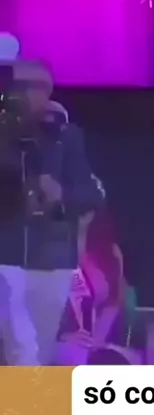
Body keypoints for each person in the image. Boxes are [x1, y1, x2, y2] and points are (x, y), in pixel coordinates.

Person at [0, 60, 103, 365]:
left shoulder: (65, 136)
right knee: (21, 347)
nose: (30, 94)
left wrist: (61, 197)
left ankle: (27, 398)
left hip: (52, 260)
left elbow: (91, 194)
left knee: (37, 352)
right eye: (20, 86)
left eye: (41, 87)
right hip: (6, 255)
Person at [55, 205, 127, 364]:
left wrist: (97, 340)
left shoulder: (111, 253)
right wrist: (64, 336)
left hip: (97, 341)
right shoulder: (59, 252)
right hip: (61, 338)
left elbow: (113, 301)